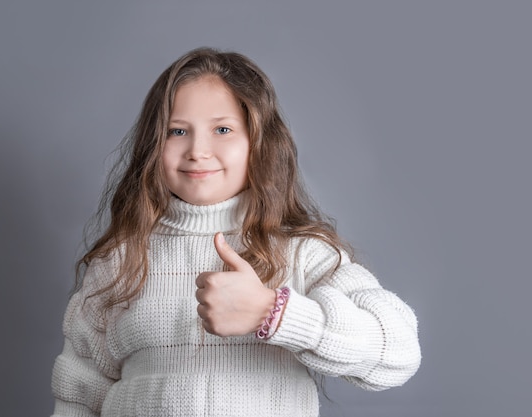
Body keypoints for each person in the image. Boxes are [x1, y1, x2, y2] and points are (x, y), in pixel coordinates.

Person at [50, 47, 421, 417]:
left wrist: (271, 313)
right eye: (177, 131)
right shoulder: (120, 262)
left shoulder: (302, 254)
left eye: (222, 129)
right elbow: (78, 398)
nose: (198, 150)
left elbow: (399, 354)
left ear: (258, 144)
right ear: (153, 145)